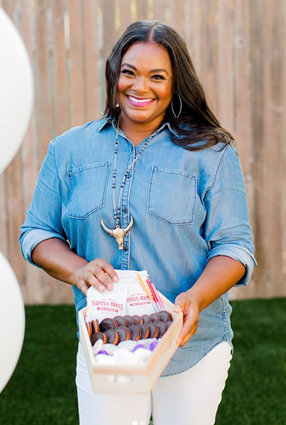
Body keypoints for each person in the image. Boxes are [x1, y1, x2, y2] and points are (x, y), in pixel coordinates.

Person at [20, 20, 257, 425]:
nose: (140, 87)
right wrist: (79, 269)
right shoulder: (68, 150)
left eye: (157, 77)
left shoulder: (212, 153)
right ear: (114, 75)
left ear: (174, 83)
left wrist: (196, 298)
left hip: (191, 348)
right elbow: (37, 233)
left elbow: (234, 247)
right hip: (105, 346)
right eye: (129, 72)